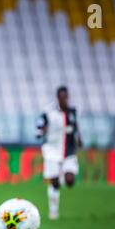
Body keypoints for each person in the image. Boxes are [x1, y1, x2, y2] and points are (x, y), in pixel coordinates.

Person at [36, 86, 82, 220]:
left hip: (69, 150)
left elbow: (76, 126)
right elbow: (40, 125)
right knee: (54, 182)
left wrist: (80, 138)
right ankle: (53, 211)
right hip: (51, 150)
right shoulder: (48, 112)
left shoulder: (73, 111)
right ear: (57, 98)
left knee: (70, 181)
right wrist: (40, 132)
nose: (64, 100)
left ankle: (59, 177)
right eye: (61, 97)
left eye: (66, 97)